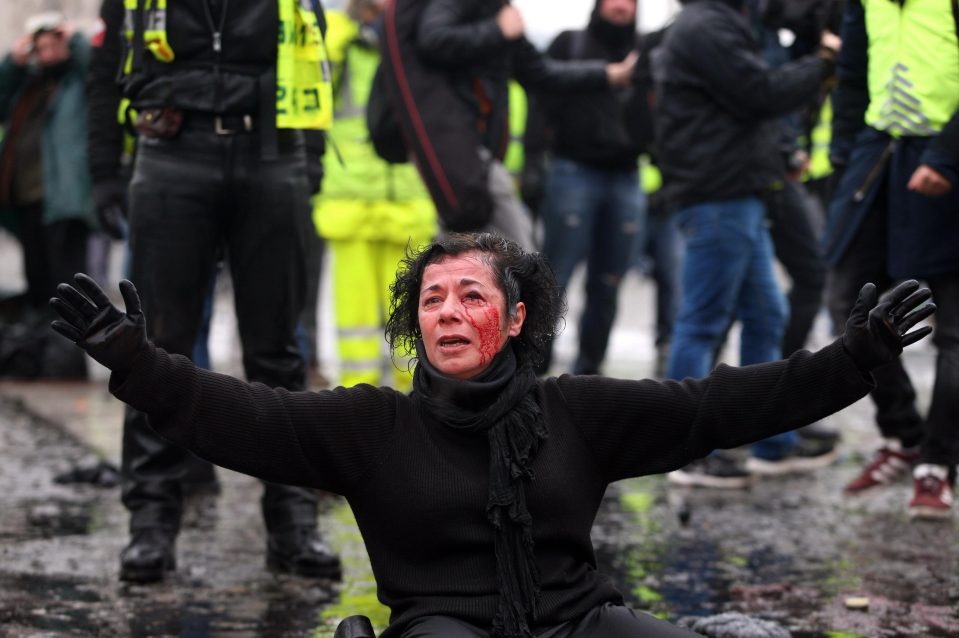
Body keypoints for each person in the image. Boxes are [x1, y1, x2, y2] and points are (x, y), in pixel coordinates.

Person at [49, 232, 933, 638]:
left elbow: (721, 406)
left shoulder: (575, 411)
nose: (448, 311)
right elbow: (246, 417)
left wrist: (855, 357)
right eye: (431, 299)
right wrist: (138, 362)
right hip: (443, 628)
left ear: (512, 320)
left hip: (575, 623)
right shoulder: (370, 423)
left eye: (470, 295)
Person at [83, 0, 340, 582]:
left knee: (278, 349)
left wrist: (310, 163)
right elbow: (104, 75)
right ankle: (150, 523)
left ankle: (293, 521)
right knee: (154, 349)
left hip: (273, 155)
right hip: (172, 154)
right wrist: (104, 169)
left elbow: (314, 60)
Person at [653, 0, 841, 487]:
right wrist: (822, 63)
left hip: (741, 192)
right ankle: (685, 452)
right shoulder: (706, 26)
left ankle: (768, 441)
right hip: (718, 195)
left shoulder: (722, 22)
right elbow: (759, 92)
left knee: (766, 315)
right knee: (702, 323)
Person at [824, 0, 959, 519]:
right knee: (849, 297)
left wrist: (946, 154)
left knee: (953, 324)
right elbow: (853, 77)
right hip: (877, 155)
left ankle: (939, 463)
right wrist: (843, 155)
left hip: (947, 154)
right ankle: (904, 434)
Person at [379, 0, 637, 250]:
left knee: (466, 250)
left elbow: (541, 73)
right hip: (464, 153)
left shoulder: (498, 11)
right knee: (519, 257)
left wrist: (608, 74)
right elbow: (434, 37)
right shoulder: (492, 16)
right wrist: (497, 30)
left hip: (476, 155)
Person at [313, 0, 436, 390]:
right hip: (350, 201)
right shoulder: (335, 33)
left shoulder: (416, 35)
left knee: (412, 317)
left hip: (407, 200)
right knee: (355, 322)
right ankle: (359, 404)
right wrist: (351, 31)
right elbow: (315, 82)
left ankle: (417, 404)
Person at [522, 0, 646, 376]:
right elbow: (539, 100)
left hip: (627, 178)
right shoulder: (568, 44)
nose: (622, 5)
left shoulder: (648, 49)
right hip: (572, 173)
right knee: (554, 279)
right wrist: (532, 161)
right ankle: (535, 374)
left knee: (608, 284)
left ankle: (589, 375)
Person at [0, 12, 95, 379]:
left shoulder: (76, 82)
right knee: (39, 286)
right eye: (41, 43)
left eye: (55, 41)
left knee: (69, 287)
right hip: (26, 200)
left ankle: (67, 365)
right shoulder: (28, 84)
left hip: (65, 201)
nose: (48, 49)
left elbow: (99, 71)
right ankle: (41, 359)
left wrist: (76, 41)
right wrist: (14, 62)